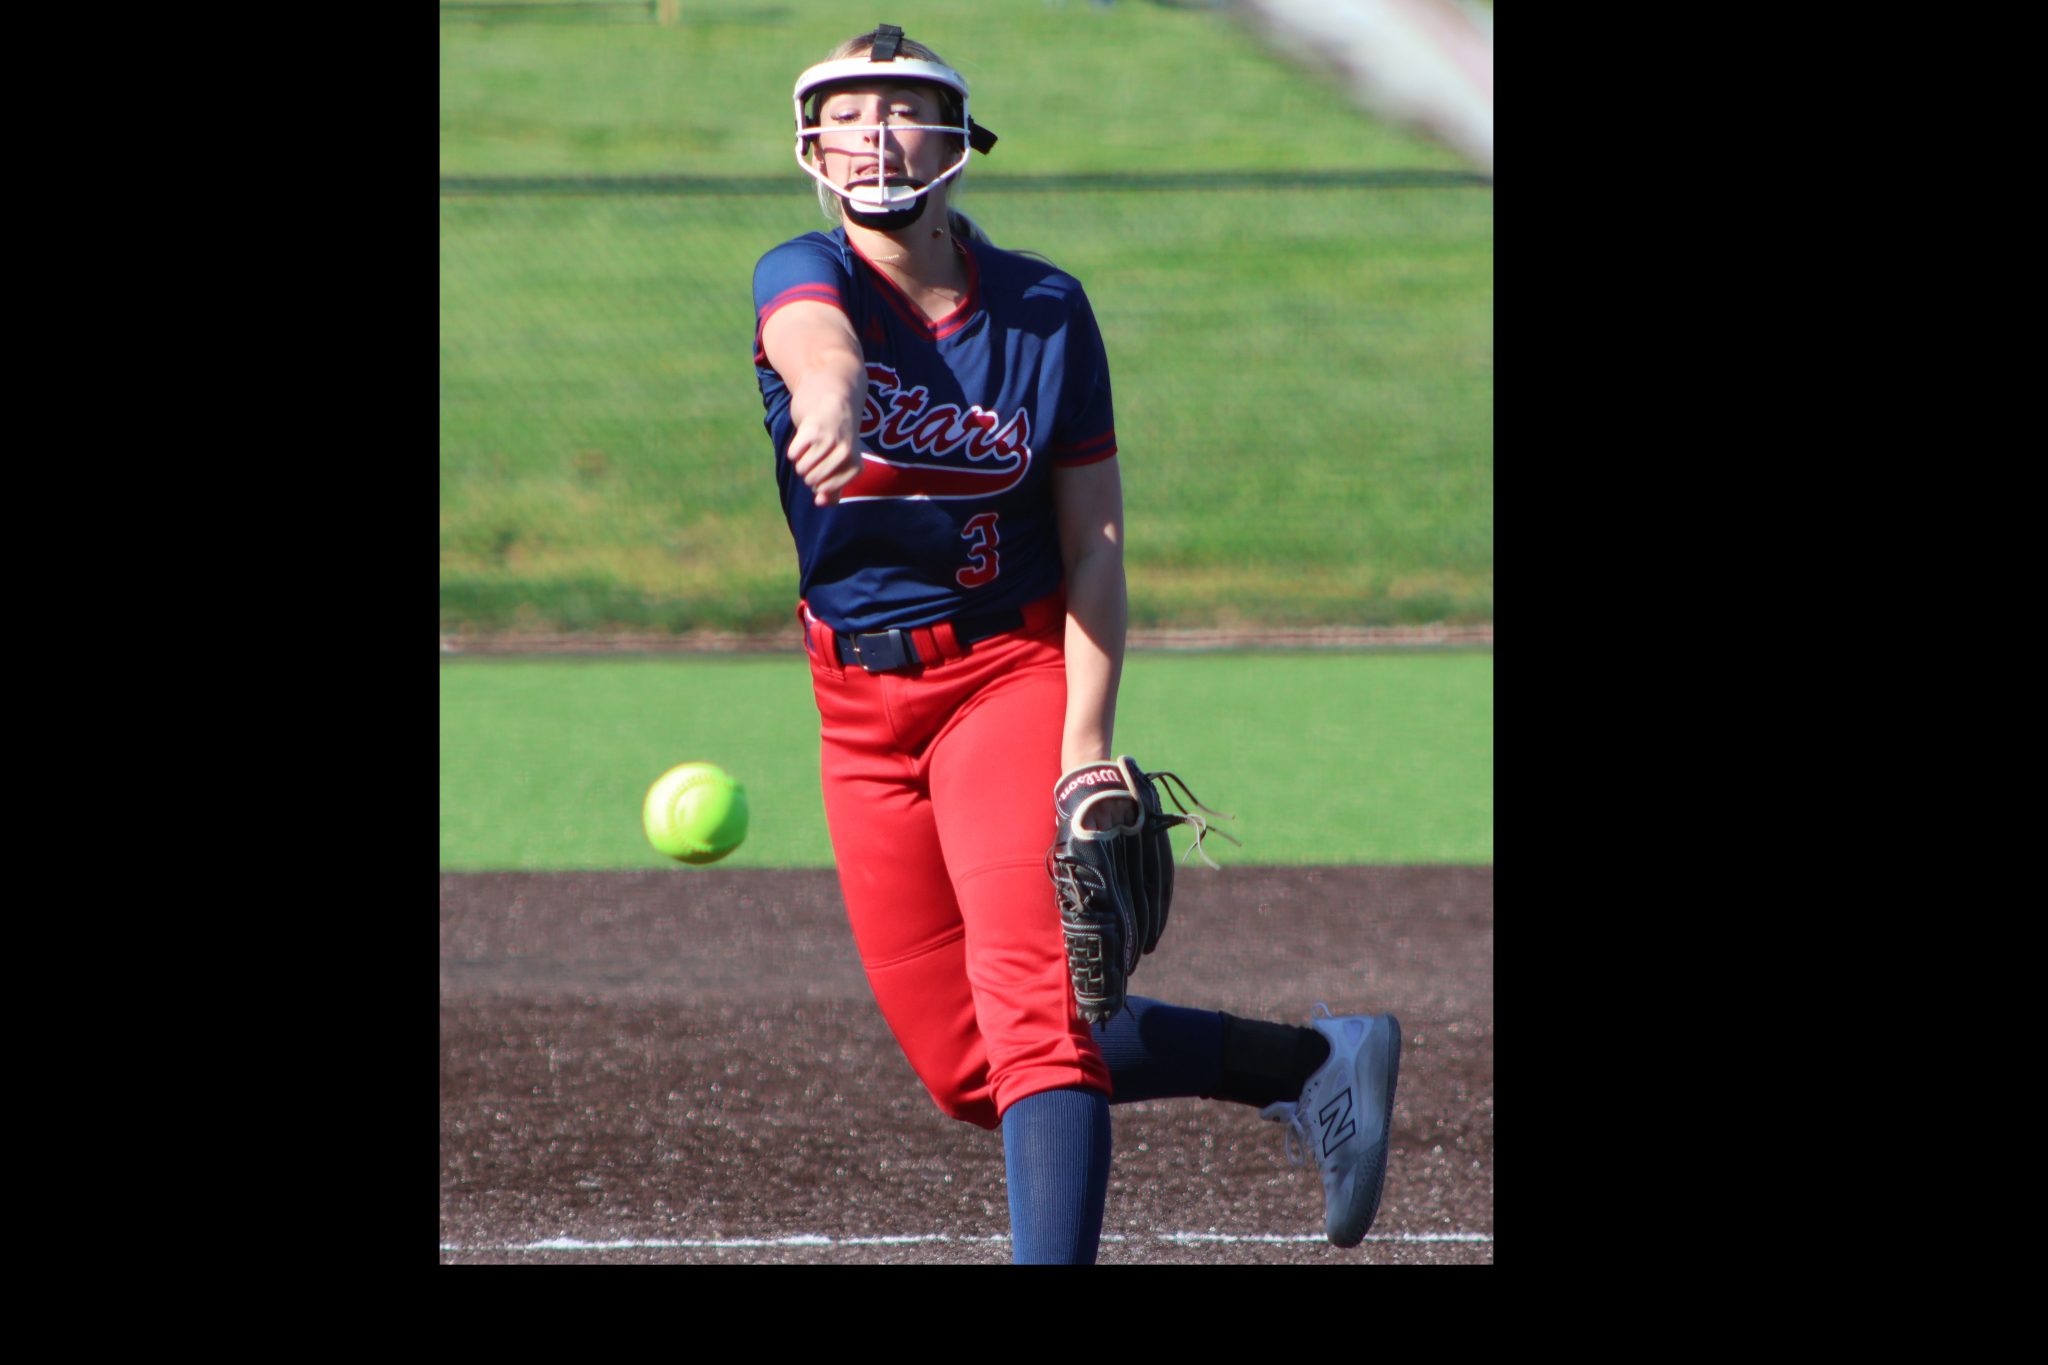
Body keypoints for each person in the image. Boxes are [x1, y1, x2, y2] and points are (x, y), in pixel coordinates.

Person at [750, 23, 1401, 1264]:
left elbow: (1093, 545)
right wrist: (829, 395)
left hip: (1003, 678)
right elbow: (809, 339)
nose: (876, 135)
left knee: (1034, 1029)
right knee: (965, 1067)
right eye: (848, 114)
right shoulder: (803, 271)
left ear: (955, 139)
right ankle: (1309, 1063)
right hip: (855, 707)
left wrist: (1083, 747)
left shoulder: (1043, 310)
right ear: (811, 146)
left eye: (904, 109)